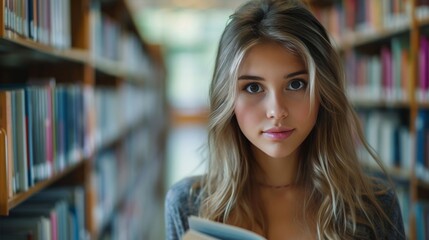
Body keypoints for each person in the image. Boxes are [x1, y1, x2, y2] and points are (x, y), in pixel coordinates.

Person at [165, 0, 405, 239]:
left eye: (296, 84)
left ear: (323, 91)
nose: (276, 111)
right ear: (227, 99)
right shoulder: (188, 206)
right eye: (252, 87)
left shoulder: (375, 207)